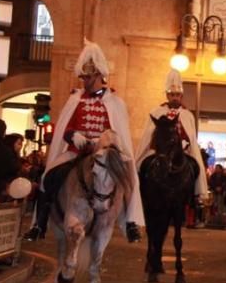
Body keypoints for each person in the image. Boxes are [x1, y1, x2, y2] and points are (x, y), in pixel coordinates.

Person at [23, 39, 143, 242]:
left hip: (104, 152)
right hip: (76, 151)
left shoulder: (114, 102)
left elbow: (116, 131)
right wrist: (74, 136)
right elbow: (65, 127)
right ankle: (39, 224)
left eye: (88, 77)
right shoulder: (75, 99)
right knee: (47, 176)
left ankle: (130, 222)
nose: (84, 81)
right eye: (83, 77)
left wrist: (101, 140)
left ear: (99, 75)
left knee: (129, 175)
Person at [134, 69, 209, 204]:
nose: (175, 97)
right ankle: (138, 190)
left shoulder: (187, 115)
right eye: (172, 94)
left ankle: (196, 195)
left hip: (181, 149)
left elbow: (190, 136)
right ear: (167, 95)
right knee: (143, 165)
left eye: (178, 95)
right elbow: (148, 135)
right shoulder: (157, 112)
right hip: (159, 150)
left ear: (181, 96)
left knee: (195, 166)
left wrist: (185, 143)